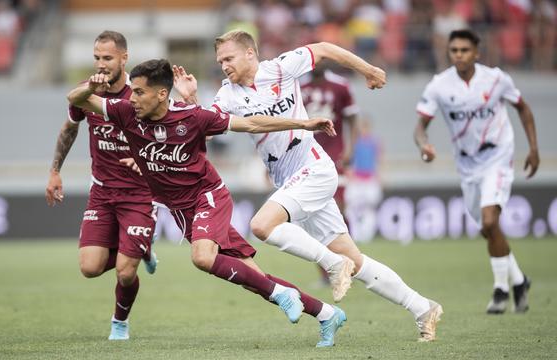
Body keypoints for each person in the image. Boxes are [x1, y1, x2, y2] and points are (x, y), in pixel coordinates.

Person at [173, 30, 442, 342]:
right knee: (355, 261)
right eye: (220, 61)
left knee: (262, 225)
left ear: (250, 53)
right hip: (291, 180)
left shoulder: (280, 68)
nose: (224, 65)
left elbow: (325, 48)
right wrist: (190, 100)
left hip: (314, 166)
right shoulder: (227, 96)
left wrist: (367, 69)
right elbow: (205, 131)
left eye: (229, 58)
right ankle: (423, 308)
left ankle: (331, 264)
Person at [67, 58, 347, 348]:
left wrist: (302, 122)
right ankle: (327, 314)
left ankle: (280, 293)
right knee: (254, 277)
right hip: (181, 210)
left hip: (208, 196)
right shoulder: (125, 112)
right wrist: (91, 86)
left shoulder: (192, 116)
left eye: (139, 92)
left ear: (162, 94)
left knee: (202, 258)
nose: (132, 98)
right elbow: (75, 99)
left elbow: (250, 123)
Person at [415, 29, 538, 314]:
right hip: (467, 164)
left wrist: (533, 148)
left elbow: (523, 108)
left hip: (498, 155)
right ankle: (520, 280)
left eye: (464, 50)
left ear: (476, 53)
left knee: (489, 220)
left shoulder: (496, 79)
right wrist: (424, 146)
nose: (458, 55)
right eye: (454, 50)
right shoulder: (439, 85)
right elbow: (420, 126)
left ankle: (500, 290)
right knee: (487, 228)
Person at [45, 31, 158, 341]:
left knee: (125, 271)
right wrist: (55, 171)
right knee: (90, 268)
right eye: (97, 57)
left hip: (139, 194)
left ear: (124, 58)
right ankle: (138, 248)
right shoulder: (85, 93)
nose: (101, 64)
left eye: (107, 58)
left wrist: (146, 160)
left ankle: (119, 323)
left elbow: (165, 133)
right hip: (103, 192)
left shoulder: (140, 95)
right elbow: (70, 129)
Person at [301, 62, 358, 284]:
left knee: (340, 210)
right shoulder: (297, 88)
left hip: (336, 155)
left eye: (322, 59)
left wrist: (351, 148)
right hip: (306, 158)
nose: (317, 63)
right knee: (310, 217)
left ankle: (350, 261)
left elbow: (353, 119)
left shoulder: (340, 86)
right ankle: (326, 273)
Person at [345, 118, 383, 243]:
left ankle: (367, 234)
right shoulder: (355, 143)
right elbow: (349, 161)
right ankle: (354, 233)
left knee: (369, 208)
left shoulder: (374, 142)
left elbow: (379, 160)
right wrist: (349, 173)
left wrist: (380, 176)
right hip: (356, 179)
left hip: (370, 179)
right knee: (352, 207)